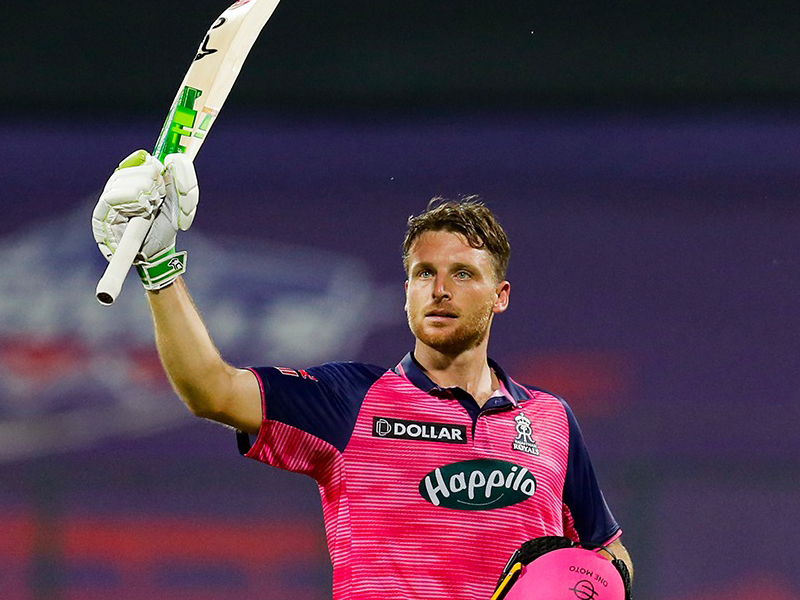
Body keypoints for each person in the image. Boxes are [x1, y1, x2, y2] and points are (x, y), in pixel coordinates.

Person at [92, 149, 634, 600]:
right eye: (424, 273)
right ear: (406, 291)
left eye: (463, 274)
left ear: (500, 296)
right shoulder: (350, 398)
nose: (439, 290)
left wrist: (587, 585)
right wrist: (159, 267)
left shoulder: (550, 420)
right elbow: (211, 389)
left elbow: (609, 554)